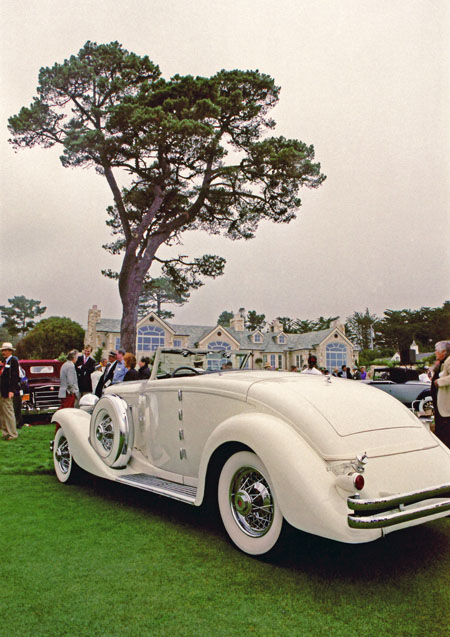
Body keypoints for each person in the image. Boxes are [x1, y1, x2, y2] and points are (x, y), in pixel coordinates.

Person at [431, 341, 450, 447]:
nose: (435, 353)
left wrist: (439, 382)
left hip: (446, 408)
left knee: (446, 431)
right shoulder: (443, 362)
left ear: (444, 352)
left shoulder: (449, 361)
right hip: (440, 405)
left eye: (436, 351)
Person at [0, 342, 20, 440]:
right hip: (2, 390)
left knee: (8, 412)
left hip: (8, 391)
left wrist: (12, 390)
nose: (3, 352)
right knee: (2, 413)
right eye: (2, 350)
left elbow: (14, 377)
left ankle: (13, 434)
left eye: (4, 350)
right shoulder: (5, 362)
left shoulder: (13, 361)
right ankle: (5, 433)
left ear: (9, 351)